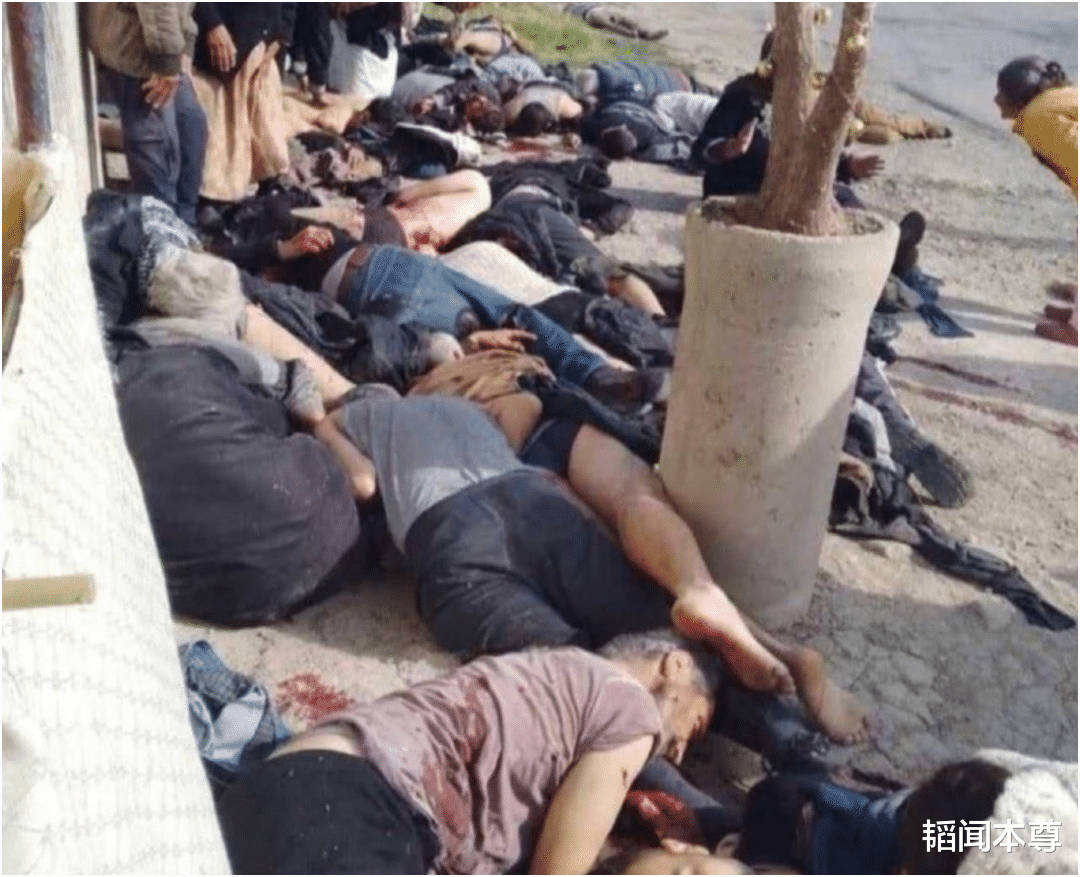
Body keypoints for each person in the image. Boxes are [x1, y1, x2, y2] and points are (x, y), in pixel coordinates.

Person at [329, 389, 868, 743]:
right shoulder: (461, 405)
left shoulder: (353, 416)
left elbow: (362, 483)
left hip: (452, 537)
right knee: (653, 629)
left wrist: (338, 439)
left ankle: (672, 779)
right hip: (529, 495)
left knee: (575, 675)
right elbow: (522, 415)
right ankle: (788, 737)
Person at [216, 632, 720, 874]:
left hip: (301, 791)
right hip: (356, 801)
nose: (676, 753)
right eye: (693, 728)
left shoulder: (554, 676)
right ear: (675, 665)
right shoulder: (632, 709)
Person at [85, 2, 208, 226]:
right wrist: (167, 61)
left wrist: (186, 43)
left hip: (163, 38)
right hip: (139, 45)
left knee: (191, 124)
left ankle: (182, 227)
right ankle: (160, 231)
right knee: (157, 149)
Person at [994, 55, 1078, 345]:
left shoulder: (1038, 117)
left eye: (1002, 92)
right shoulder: (1059, 99)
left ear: (1019, 96)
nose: (996, 100)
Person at [190, 3, 296, 203]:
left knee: (265, 132)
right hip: (218, 40)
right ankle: (210, 199)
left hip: (262, 43)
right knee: (217, 132)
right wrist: (212, 23)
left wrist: (280, 36)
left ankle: (267, 187)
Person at [564, 3, 669, 42]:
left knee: (613, 26)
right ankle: (642, 34)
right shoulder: (574, 7)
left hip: (590, 17)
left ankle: (638, 35)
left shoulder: (571, 11)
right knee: (622, 21)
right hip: (595, 11)